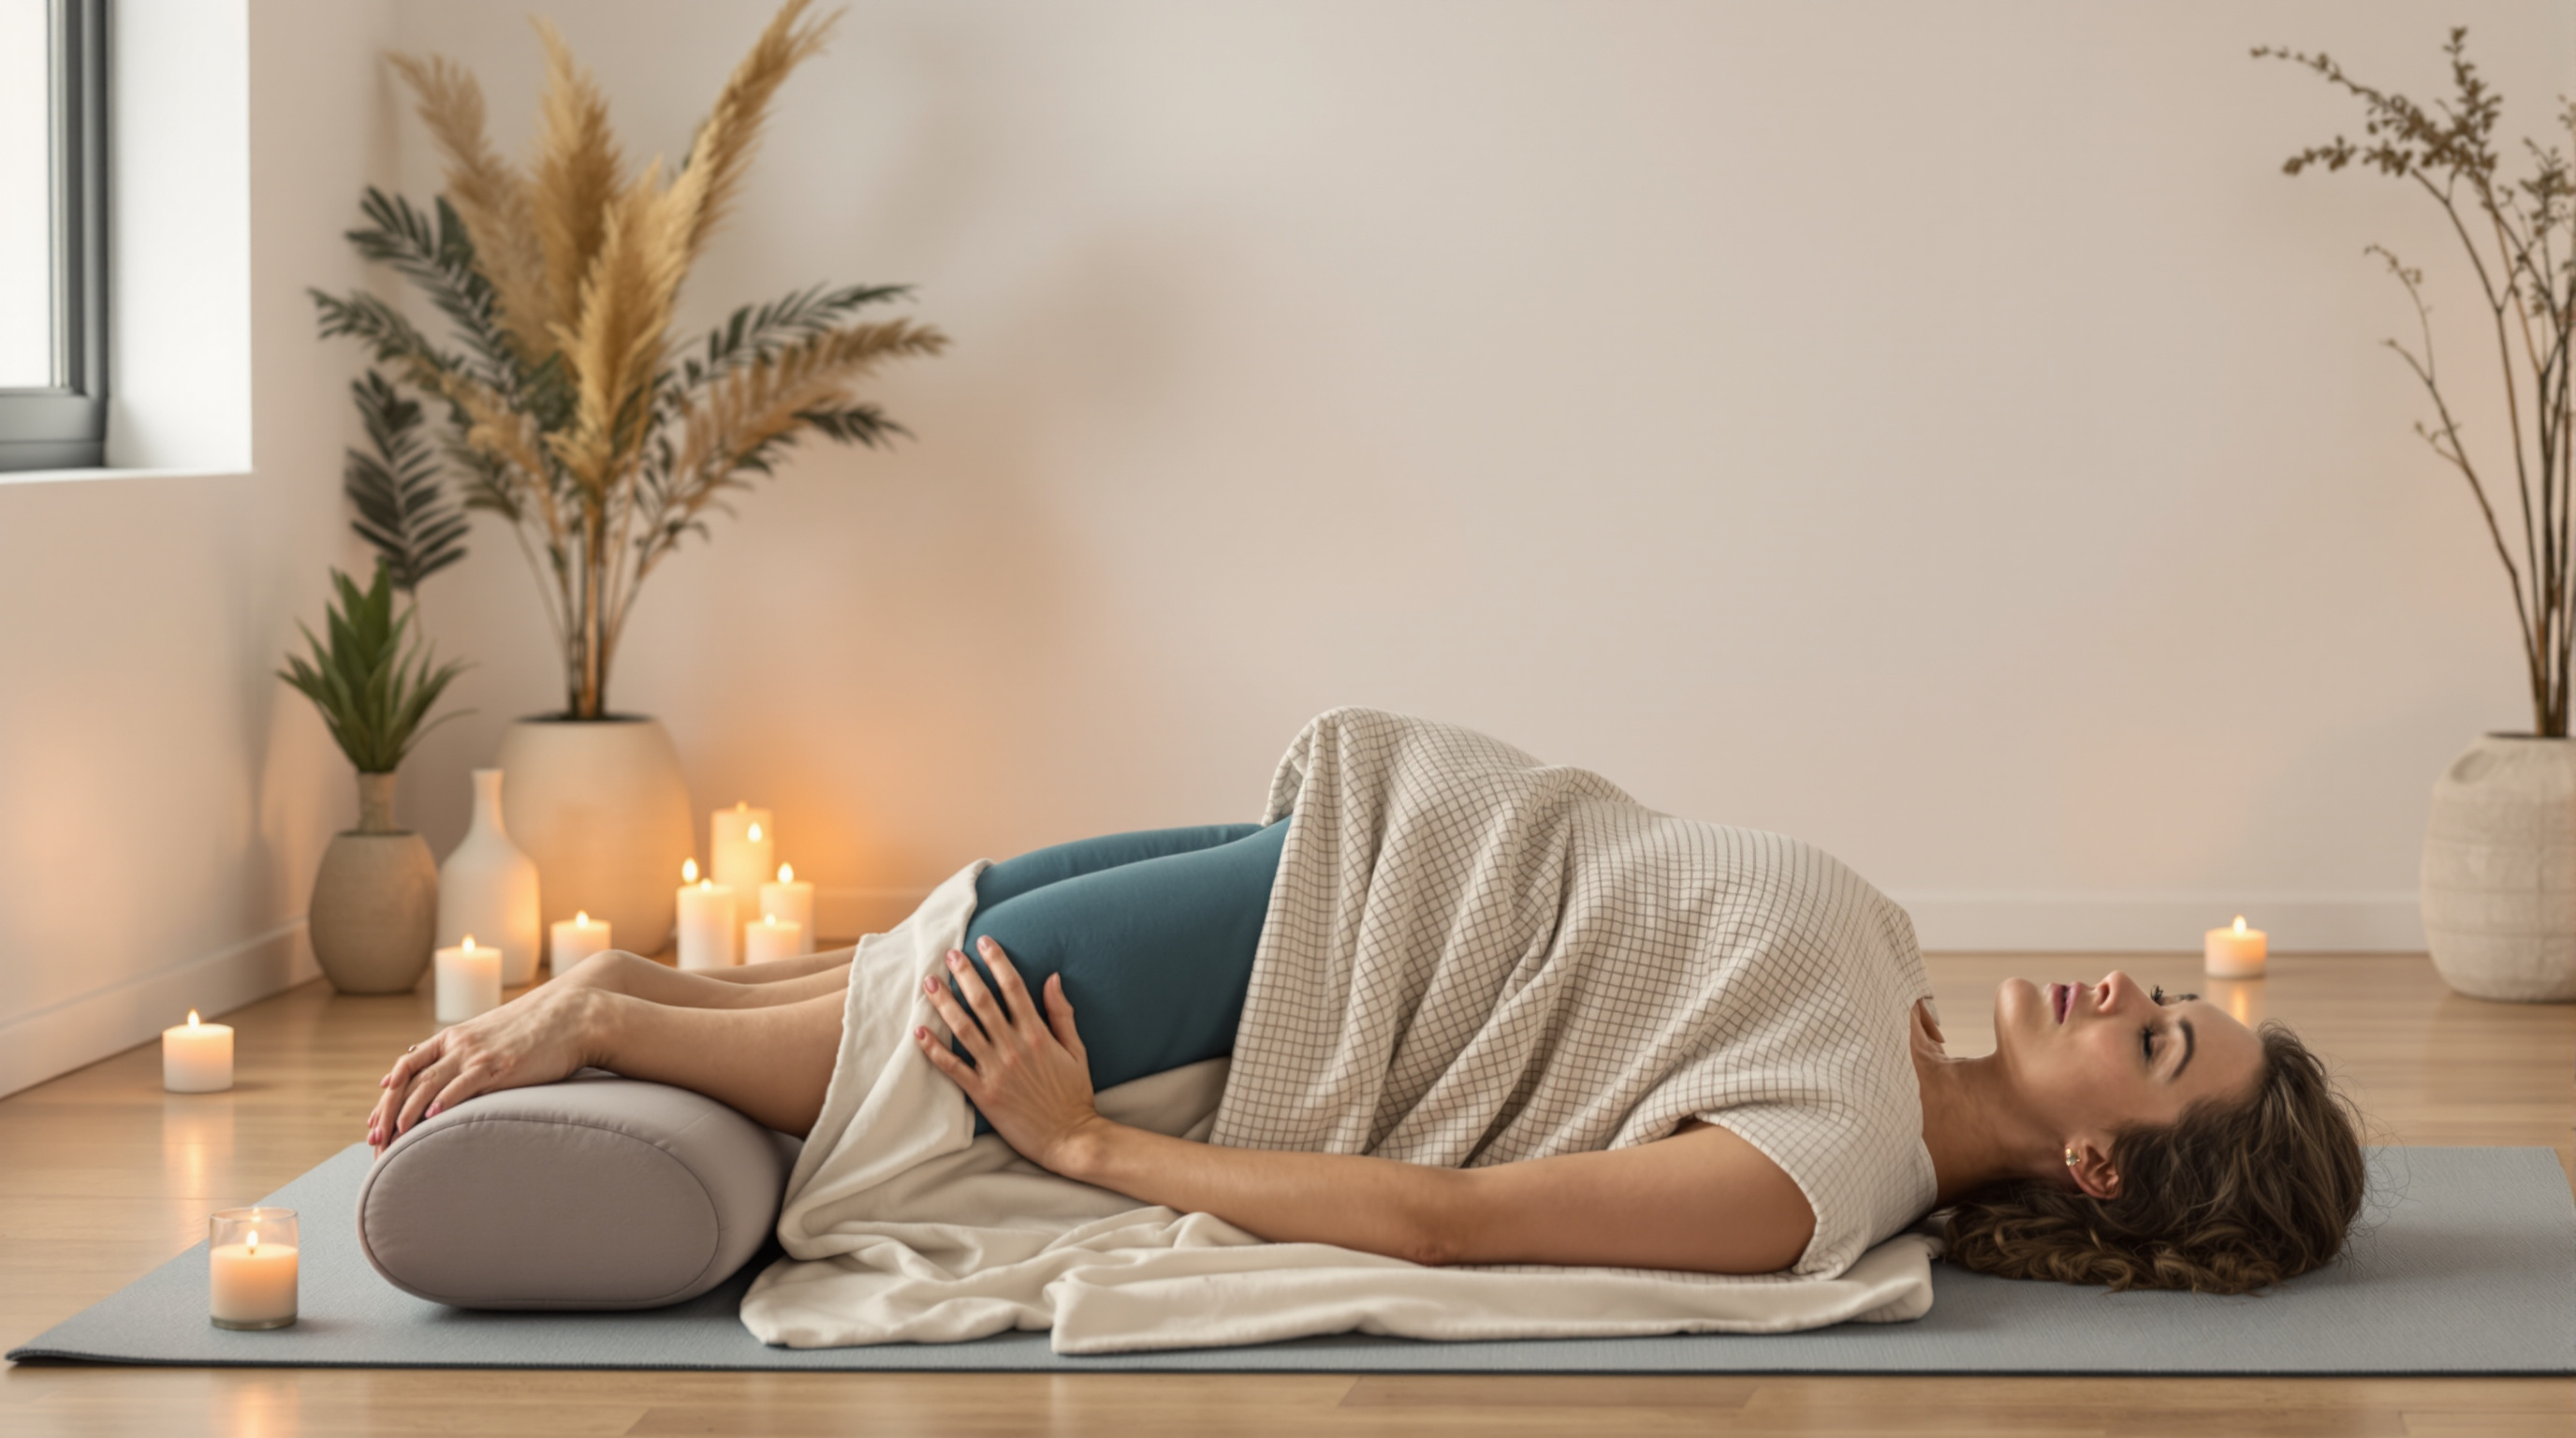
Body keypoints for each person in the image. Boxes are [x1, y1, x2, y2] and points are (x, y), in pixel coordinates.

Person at [368, 821, 2365, 1293]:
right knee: (924, 938)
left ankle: (607, 1014)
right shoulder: (1893, 990)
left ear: (2104, 1167)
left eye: (2160, 1041)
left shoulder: (1819, 1175)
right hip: (1339, 851)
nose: (2124, 991)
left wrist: (1085, 1158)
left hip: (1308, 983)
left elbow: (1451, 1215)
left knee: (943, 1009)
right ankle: (633, 994)